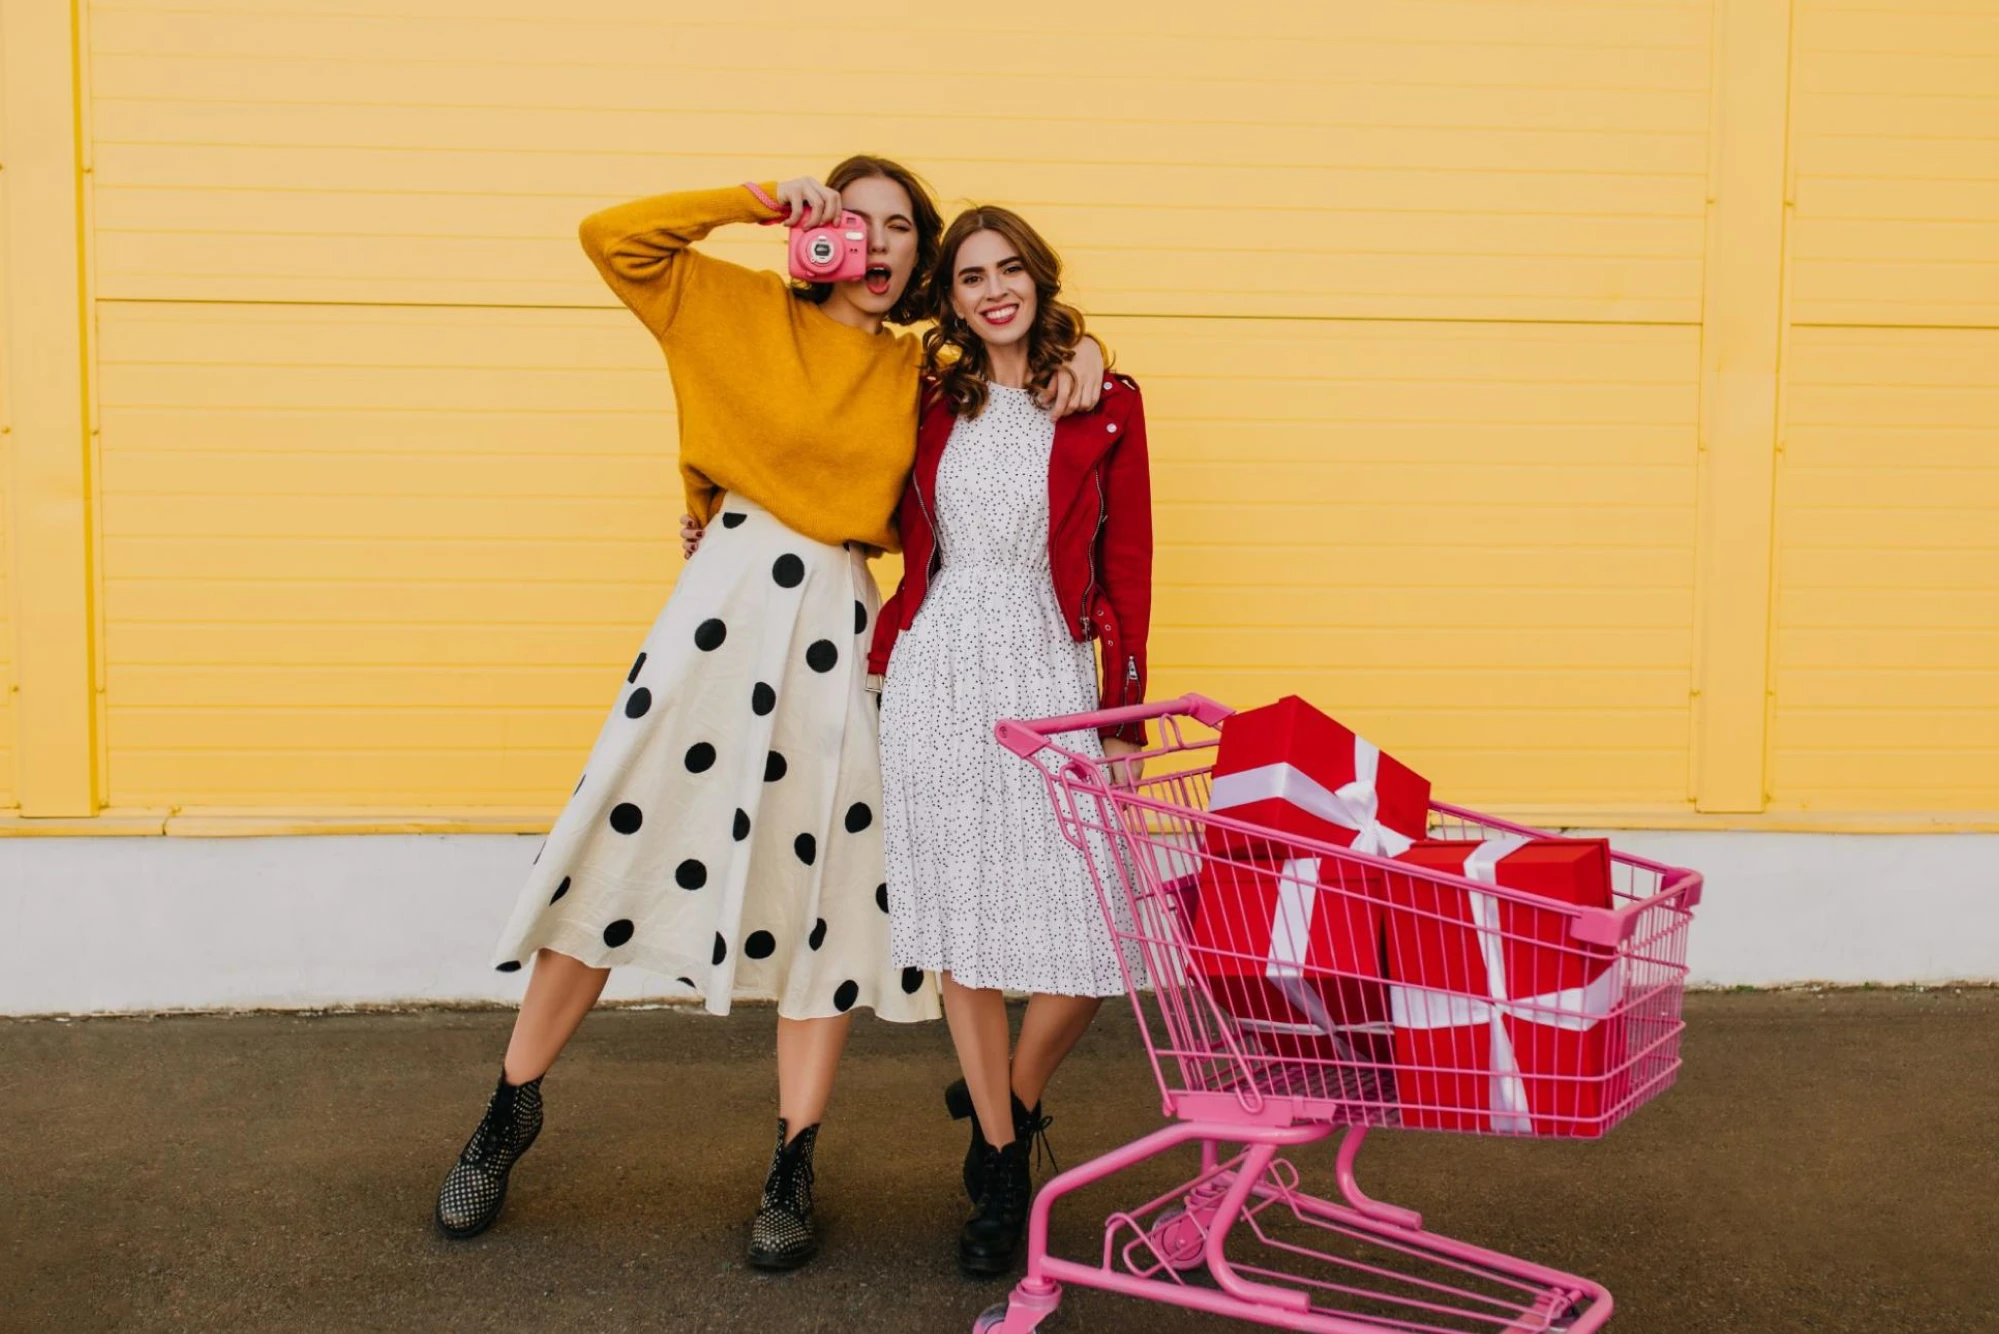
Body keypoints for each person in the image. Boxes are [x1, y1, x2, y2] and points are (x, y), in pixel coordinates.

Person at [432, 160, 1106, 1271]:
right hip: (724, 603)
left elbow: (1017, 414)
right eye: (857, 222)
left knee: (824, 898)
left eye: (902, 230)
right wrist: (752, 198)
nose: (879, 246)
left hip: (842, 623)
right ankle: (509, 1108)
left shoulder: (918, 378)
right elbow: (612, 235)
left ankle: (793, 1159)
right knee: (617, 845)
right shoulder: (729, 306)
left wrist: (1085, 352)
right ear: (819, 236)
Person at [867, 206, 1154, 1275]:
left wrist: (1122, 713)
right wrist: (724, 512)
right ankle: (998, 1160)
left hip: (1047, 666)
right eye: (971, 275)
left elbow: (1128, 563)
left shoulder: (1103, 399)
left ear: (1039, 278)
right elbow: (831, 459)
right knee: (963, 927)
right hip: (938, 670)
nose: (994, 289)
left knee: (1089, 931)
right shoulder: (930, 397)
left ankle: (1012, 1096)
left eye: (1011, 270)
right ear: (949, 295)